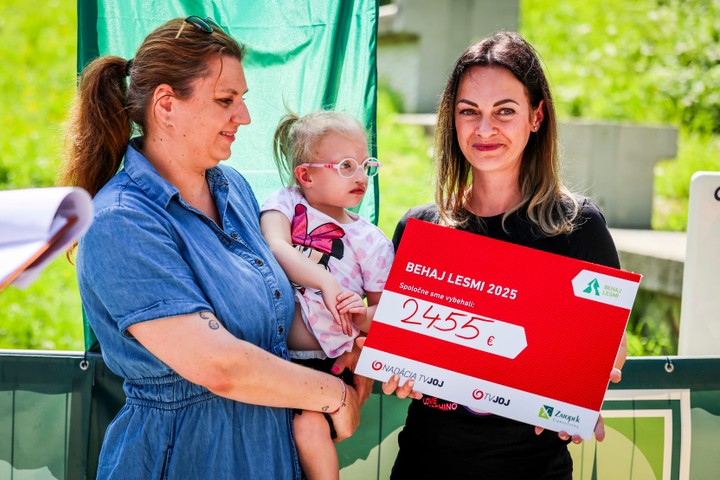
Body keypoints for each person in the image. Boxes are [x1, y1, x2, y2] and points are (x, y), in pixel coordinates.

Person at [61, 16, 367, 479]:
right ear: (166, 105)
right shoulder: (120, 220)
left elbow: (272, 320)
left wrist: (353, 341)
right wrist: (334, 395)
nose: (244, 117)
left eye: (241, 99)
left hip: (269, 456)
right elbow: (220, 366)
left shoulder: (235, 188)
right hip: (185, 459)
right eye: (226, 100)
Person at [382, 31, 627, 479]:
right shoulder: (420, 229)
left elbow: (610, 343)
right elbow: (394, 342)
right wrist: (394, 367)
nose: (484, 129)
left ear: (536, 116)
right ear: (451, 119)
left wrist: (585, 389)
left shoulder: (576, 225)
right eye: (468, 111)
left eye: (504, 111)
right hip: (422, 466)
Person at [260, 111, 394, 480]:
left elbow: (387, 316)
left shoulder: (372, 242)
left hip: (329, 361)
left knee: (308, 425)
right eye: (346, 166)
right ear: (306, 175)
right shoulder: (285, 203)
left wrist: (359, 317)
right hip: (271, 356)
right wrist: (326, 282)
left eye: (366, 165)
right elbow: (275, 247)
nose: (361, 176)